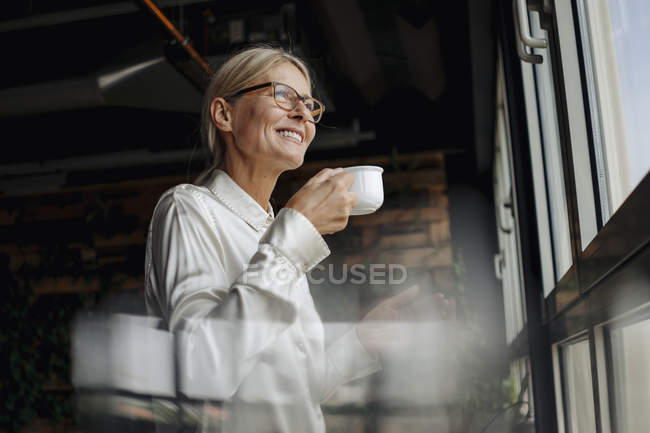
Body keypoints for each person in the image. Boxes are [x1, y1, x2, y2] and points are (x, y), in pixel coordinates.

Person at [144, 45, 443, 433]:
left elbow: (290, 389)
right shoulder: (188, 209)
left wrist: (364, 340)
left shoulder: (276, 232)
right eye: (282, 95)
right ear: (224, 114)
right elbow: (204, 372)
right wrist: (297, 234)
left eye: (309, 104)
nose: (303, 113)